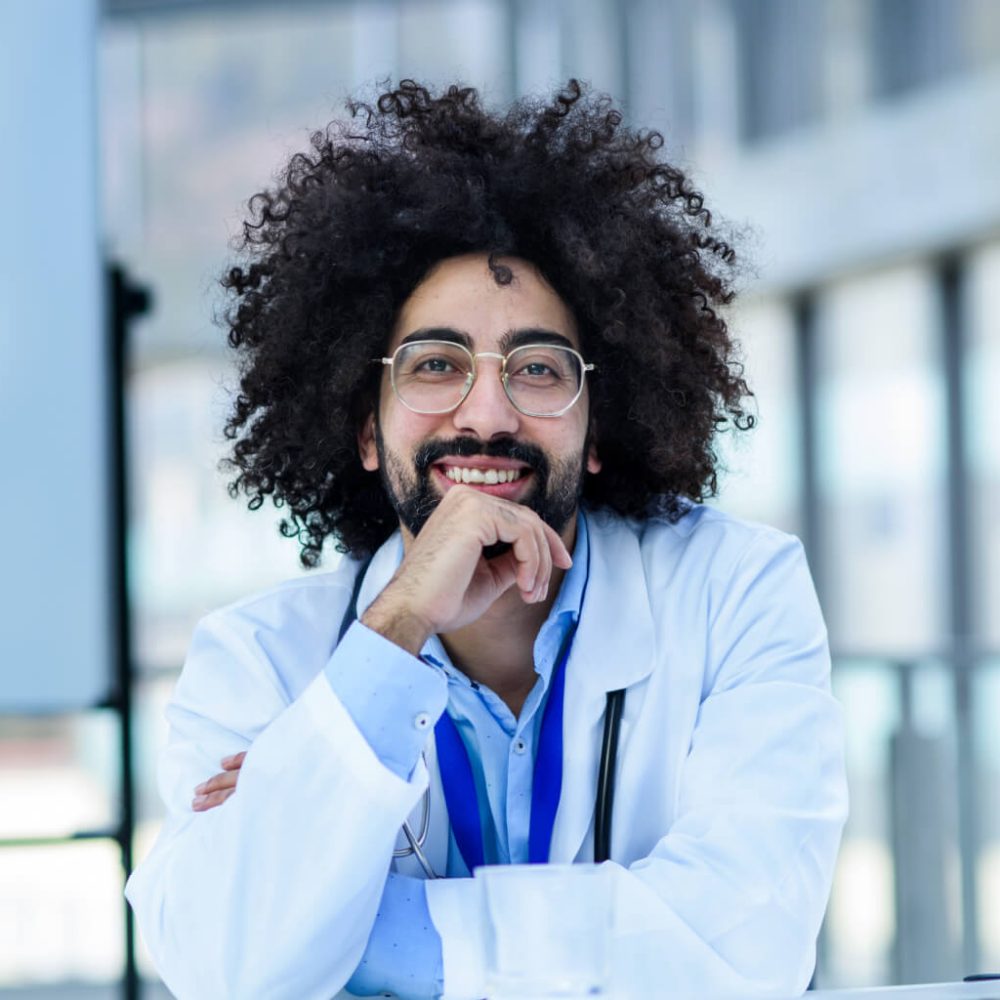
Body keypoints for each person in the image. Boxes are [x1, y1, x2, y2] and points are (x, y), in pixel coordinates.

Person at [126, 79, 848, 1000]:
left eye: (539, 369)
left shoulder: (739, 591)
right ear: (364, 427)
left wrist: (357, 933)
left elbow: (748, 946)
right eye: (435, 365)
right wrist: (393, 634)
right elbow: (223, 966)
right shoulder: (259, 661)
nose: (488, 415)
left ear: (597, 428)